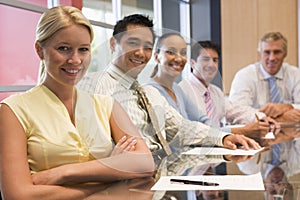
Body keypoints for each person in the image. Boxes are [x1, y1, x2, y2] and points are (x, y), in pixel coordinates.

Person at [0, 6, 154, 200]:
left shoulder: (106, 105)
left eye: (83, 50)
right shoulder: (14, 110)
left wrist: (63, 173)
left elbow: (145, 163)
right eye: (63, 48)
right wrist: (110, 174)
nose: (75, 60)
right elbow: (18, 196)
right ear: (40, 50)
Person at [78, 13, 261, 170]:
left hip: (163, 174)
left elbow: (181, 128)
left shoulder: (148, 93)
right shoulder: (90, 86)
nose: (141, 53)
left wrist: (223, 138)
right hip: (122, 178)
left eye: (148, 47)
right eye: (133, 43)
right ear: (112, 44)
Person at [150, 36, 273, 138]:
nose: (211, 65)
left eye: (215, 60)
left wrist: (262, 119)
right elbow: (195, 131)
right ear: (192, 63)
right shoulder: (182, 89)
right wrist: (242, 131)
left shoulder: (215, 92)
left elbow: (237, 112)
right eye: (205, 59)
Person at [229, 32, 300, 122]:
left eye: (277, 52)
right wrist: (273, 118)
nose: (272, 58)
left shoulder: (296, 74)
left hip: (292, 132)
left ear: (285, 54)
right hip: (255, 132)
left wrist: (288, 107)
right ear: (259, 54)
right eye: (267, 52)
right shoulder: (244, 76)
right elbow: (236, 112)